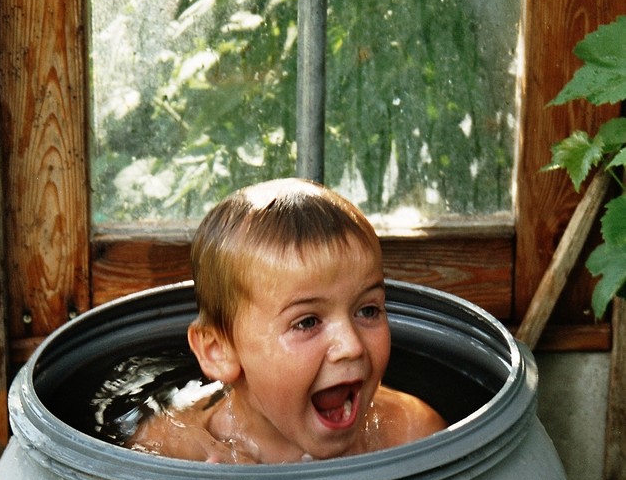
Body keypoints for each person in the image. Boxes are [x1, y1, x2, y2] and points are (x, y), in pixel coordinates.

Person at [128, 178, 446, 463]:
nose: (351, 346)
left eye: (367, 310)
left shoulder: (411, 435)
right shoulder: (173, 452)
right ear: (218, 351)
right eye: (307, 322)